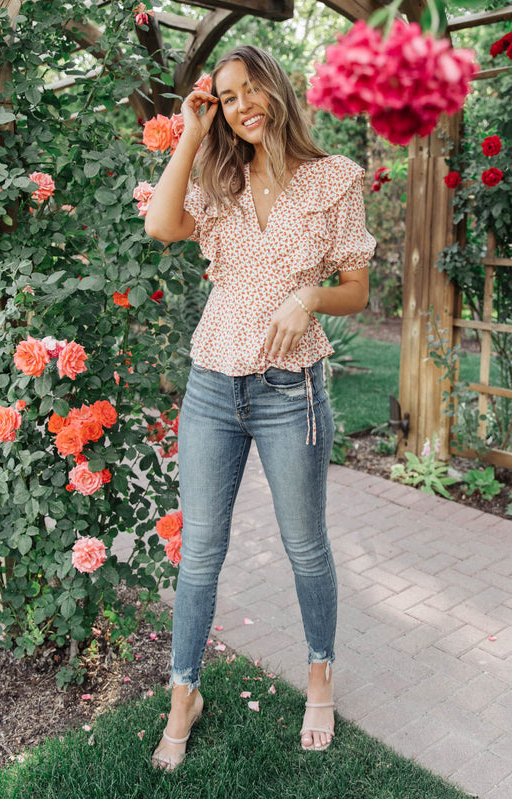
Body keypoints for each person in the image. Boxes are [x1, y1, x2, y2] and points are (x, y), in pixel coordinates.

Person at [144, 45, 375, 770]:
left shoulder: (334, 178)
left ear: (276, 87)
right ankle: (184, 692)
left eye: (251, 89)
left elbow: (357, 290)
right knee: (200, 553)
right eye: (227, 96)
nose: (242, 105)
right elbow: (160, 226)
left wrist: (308, 295)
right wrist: (190, 130)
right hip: (212, 387)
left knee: (305, 544)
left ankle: (319, 673)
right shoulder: (220, 179)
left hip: (288, 391)